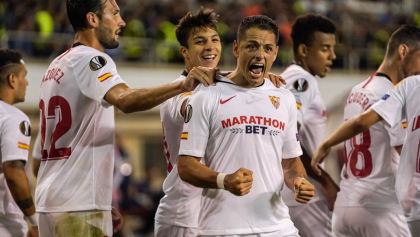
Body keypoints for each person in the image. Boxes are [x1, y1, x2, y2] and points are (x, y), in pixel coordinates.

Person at [35, 0, 216, 236]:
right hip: (77, 205)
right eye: (115, 13)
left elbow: (38, 157)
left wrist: (97, 203)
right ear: (93, 19)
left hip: (51, 203)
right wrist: (182, 86)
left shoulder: (54, 67)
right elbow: (125, 100)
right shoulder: (92, 59)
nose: (122, 21)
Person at [178, 15, 315, 236]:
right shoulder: (207, 94)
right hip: (221, 229)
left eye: (268, 48)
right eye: (252, 46)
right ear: (236, 48)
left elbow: (290, 164)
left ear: (276, 53)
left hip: (279, 228)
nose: (260, 54)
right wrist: (224, 181)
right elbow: (186, 166)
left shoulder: (285, 98)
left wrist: (299, 181)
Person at [154, 8, 285, 237]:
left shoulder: (217, 86)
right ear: (184, 51)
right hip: (182, 215)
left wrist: (259, 84)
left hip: (213, 211)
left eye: (214, 39)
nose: (210, 47)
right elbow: (191, 107)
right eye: (200, 41)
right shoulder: (178, 92)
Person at [311, 26, 420, 234]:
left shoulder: (357, 90)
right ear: (403, 52)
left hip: (345, 206)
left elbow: (359, 124)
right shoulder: (394, 96)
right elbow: (405, 154)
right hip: (380, 207)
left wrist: (326, 143)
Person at [279, 13, 338, 237]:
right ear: (304, 51)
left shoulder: (293, 77)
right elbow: (288, 134)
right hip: (307, 192)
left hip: (298, 190)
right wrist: (326, 180)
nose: (332, 56)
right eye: (325, 49)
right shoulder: (301, 80)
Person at [0, 49, 38, 237]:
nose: (27, 82)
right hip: (6, 226)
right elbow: (14, 172)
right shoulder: (13, 118)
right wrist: (34, 221)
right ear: (12, 79)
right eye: (24, 76)